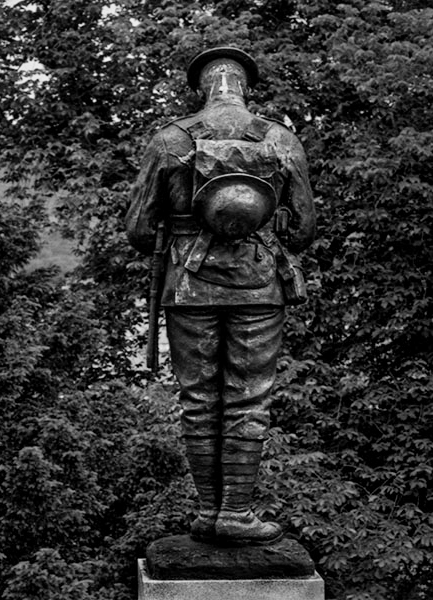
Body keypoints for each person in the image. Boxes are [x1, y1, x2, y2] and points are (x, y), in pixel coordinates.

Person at [125, 47, 316, 545]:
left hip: (188, 285)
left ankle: (210, 512)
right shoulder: (279, 138)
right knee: (248, 398)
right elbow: (303, 230)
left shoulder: (170, 139)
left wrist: (180, 225)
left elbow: (139, 230)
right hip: (258, 283)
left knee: (198, 400)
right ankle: (238, 513)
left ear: (200, 87)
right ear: (245, 86)